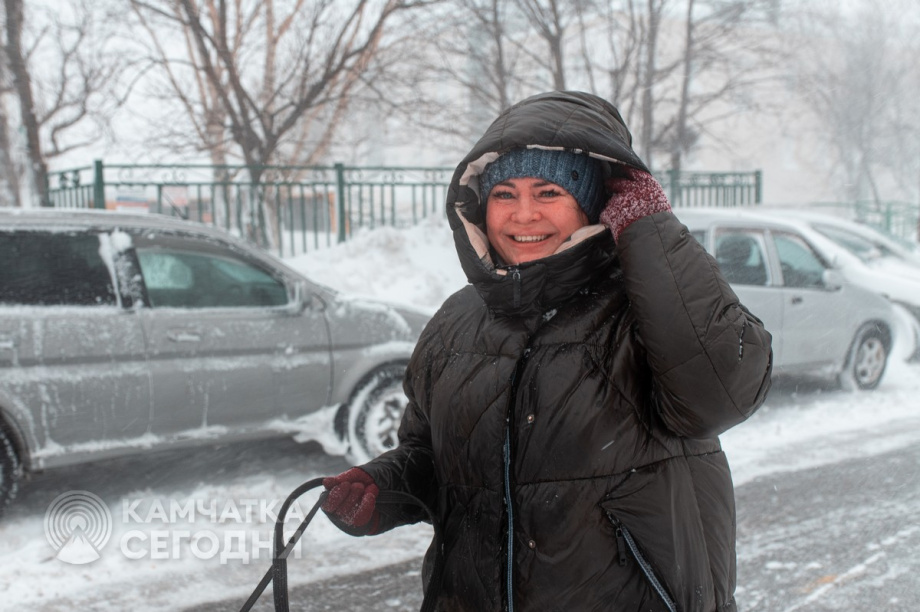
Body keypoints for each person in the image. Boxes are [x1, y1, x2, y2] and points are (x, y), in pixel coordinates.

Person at [321, 91, 773, 611]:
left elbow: (721, 392)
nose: (523, 215)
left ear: (592, 202)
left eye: (549, 191)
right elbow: (433, 455)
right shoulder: (455, 321)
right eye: (505, 194)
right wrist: (384, 489)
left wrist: (648, 228)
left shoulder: (643, 310)